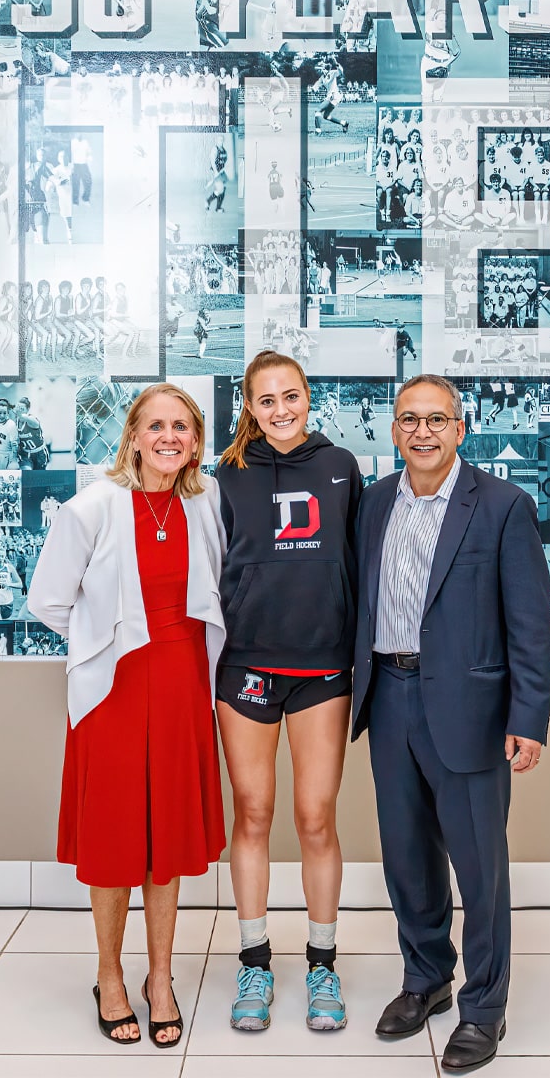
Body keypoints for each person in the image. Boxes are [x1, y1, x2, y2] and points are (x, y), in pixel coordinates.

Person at [349, 374, 550, 1073]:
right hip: (388, 697)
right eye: (410, 419)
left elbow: (531, 626)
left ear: (461, 428)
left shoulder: (501, 506)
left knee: (479, 868)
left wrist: (530, 717)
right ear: (394, 428)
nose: (423, 432)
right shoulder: (375, 504)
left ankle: (484, 1007)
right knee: (406, 857)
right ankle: (427, 978)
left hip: (469, 709)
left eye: (438, 419)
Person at [27, 384, 227, 1048]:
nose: (170, 437)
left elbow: (216, 588)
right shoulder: (92, 508)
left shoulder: (205, 503)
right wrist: (100, 640)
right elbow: (50, 601)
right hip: (115, 691)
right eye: (156, 426)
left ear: (196, 441)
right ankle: (110, 976)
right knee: (116, 844)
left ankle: (160, 977)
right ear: (133, 436)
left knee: (165, 841)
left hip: (181, 684)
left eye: (183, 427)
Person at [214, 352, 365, 1032]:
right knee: (251, 812)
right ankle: (253, 959)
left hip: (321, 667)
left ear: (309, 397)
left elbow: (360, 565)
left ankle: (323, 963)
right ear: (249, 406)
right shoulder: (224, 478)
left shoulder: (341, 470)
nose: (280, 410)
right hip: (245, 665)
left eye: (292, 396)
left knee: (314, 817)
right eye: (266, 400)